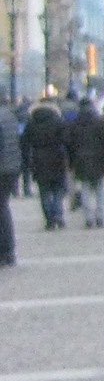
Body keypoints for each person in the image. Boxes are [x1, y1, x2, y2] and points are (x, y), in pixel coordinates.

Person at [68, 97, 104, 229]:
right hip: (98, 159)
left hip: (81, 160)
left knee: (85, 189)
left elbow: (70, 145)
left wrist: (71, 162)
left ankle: (88, 218)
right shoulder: (100, 123)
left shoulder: (75, 124)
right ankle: (100, 217)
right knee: (99, 190)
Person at [22, 96, 68, 231]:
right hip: (57, 157)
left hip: (38, 158)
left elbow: (25, 142)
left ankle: (49, 218)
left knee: (44, 190)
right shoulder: (59, 122)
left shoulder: (32, 123)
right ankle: (57, 213)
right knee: (58, 189)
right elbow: (66, 140)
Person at [0, 103, 17, 264]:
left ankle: (5, 250)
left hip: (2, 167)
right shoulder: (9, 115)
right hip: (11, 167)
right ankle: (8, 251)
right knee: (3, 207)